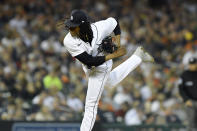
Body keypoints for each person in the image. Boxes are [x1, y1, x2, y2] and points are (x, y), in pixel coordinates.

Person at [63, 9, 154, 131]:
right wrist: (115, 54)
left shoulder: (99, 28)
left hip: (102, 66)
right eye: (71, 26)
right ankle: (138, 56)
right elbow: (89, 61)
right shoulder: (69, 41)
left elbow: (115, 22)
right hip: (90, 65)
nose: (71, 29)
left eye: (74, 27)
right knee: (110, 81)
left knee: (91, 104)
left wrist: (117, 42)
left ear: (84, 25)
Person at [178, 57, 197, 131]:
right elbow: (180, 89)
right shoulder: (184, 75)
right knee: (191, 122)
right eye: (191, 64)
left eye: (194, 64)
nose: (192, 66)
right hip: (190, 102)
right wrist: (186, 100)